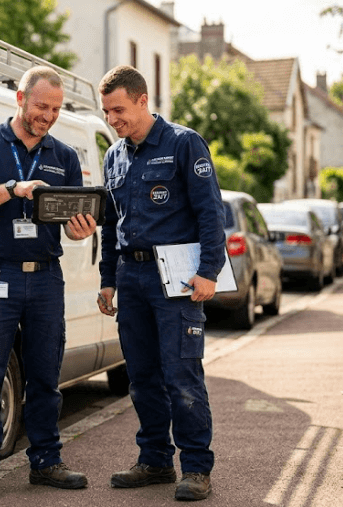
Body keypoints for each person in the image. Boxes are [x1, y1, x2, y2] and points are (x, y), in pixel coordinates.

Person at [0, 65, 98, 501]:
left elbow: (70, 226)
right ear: (19, 98)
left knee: (46, 376)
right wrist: (13, 188)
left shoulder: (65, 156)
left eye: (54, 109)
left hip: (46, 280)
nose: (47, 116)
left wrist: (81, 229)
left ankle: (47, 462)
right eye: (41, 106)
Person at [96, 65, 226, 502]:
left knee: (181, 374)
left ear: (142, 100)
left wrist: (209, 271)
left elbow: (211, 213)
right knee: (142, 377)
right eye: (107, 113)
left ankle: (195, 467)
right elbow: (111, 225)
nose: (112, 120)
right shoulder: (114, 156)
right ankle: (154, 460)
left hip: (176, 278)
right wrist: (108, 280)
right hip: (130, 278)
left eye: (118, 110)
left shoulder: (184, 143)